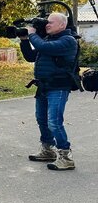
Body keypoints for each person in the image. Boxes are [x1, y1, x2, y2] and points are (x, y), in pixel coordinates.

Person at [19, 12, 78, 170]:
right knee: (42, 119)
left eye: (51, 22)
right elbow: (31, 56)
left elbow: (43, 47)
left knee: (54, 122)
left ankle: (66, 156)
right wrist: (24, 40)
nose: (47, 25)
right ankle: (48, 149)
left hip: (58, 87)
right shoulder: (47, 39)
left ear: (62, 25)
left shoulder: (68, 40)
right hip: (43, 86)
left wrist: (32, 34)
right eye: (47, 22)